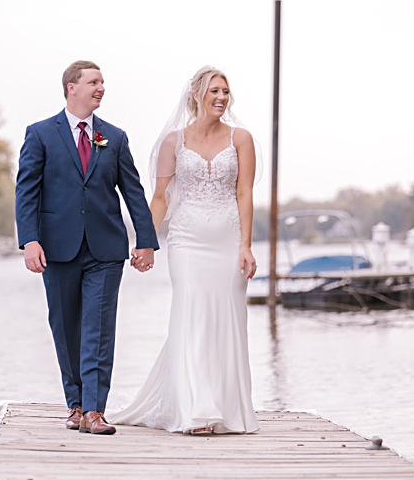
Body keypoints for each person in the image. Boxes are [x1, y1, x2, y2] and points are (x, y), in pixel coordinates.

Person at [14, 61, 160, 436]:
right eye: (94, 82)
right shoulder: (41, 134)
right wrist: (29, 240)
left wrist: (145, 241)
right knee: (66, 328)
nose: (101, 88)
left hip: (105, 249)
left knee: (98, 328)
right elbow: (26, 191)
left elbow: (133, 192)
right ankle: (76, 404)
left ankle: (95, 410)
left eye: (103, 82)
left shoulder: (115, 137)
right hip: (56, 249)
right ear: (71, 87)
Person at [114, 66, 260, 435]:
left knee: (226, 319)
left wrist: (246, 245)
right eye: (214, 91)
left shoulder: (241, 138)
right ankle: (197, 410)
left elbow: (245, 193)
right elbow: (160, 197)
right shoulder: (173, 143)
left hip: (227, 241)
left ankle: (226, 409)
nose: (221, 98)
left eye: (225, 91)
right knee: (192, 314)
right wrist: (146, 241)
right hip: (186, 241)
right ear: (196, 95)